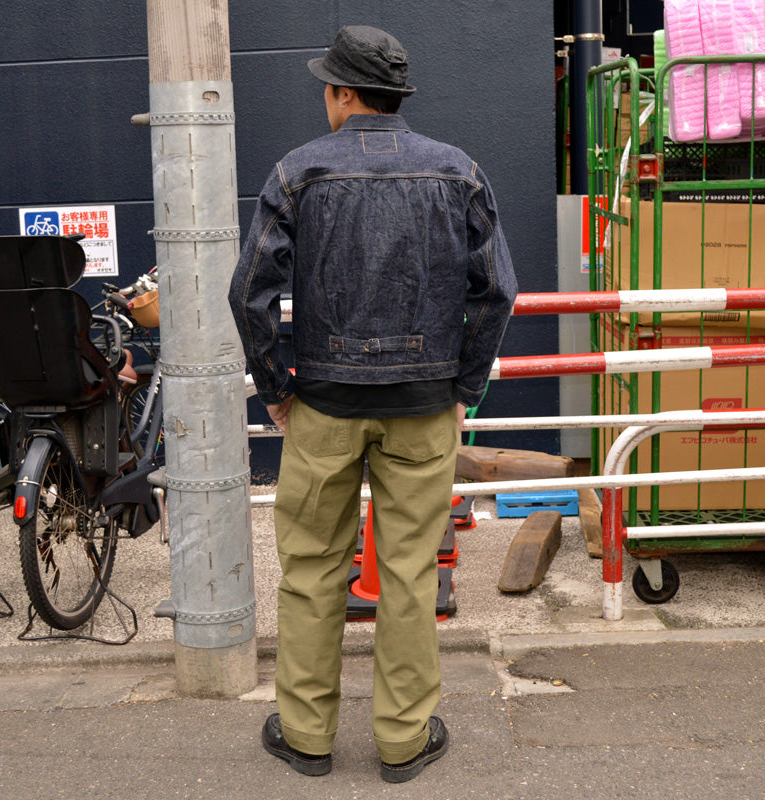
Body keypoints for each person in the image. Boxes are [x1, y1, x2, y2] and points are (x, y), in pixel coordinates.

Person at [229, 24, 517, 783]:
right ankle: (401, 739)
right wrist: (464, 388)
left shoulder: (299, 172)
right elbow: (500, 291)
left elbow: (248, 292)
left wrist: (278, 390)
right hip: (423, 410)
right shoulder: (459, 172)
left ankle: (306, 735)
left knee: (312, 571)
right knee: (410, 571)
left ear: (344, 95)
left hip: (323, 405)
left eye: (327, 86)